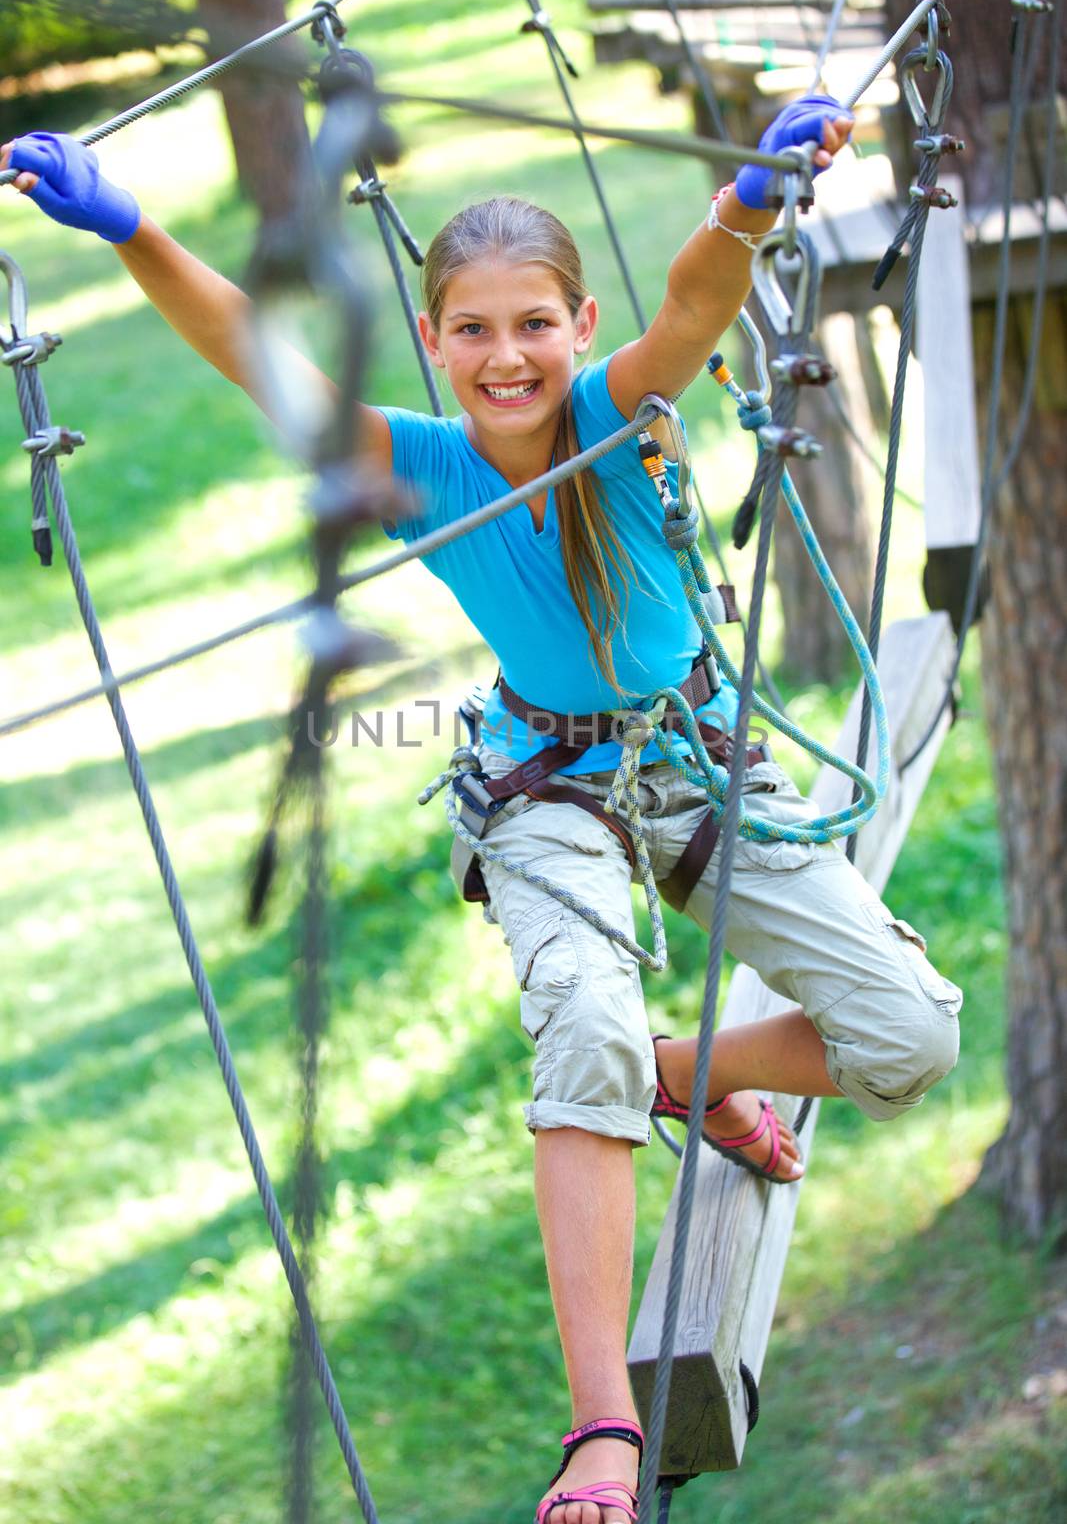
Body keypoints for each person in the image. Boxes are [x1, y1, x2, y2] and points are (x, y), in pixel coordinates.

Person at [2, 104, 963, 1524]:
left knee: (913, 1037)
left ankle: (680, 1062)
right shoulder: (421, 470)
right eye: (471, 331)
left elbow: (698, 304)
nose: (505, 356)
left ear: (580, 323)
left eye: (534, 324)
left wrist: (749, 204)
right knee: (578, 1018)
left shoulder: (625, 416)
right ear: (432, 335)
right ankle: (603, 1430)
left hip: (695, 760)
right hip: (542, 784)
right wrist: (133, 227)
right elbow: (256, 362)